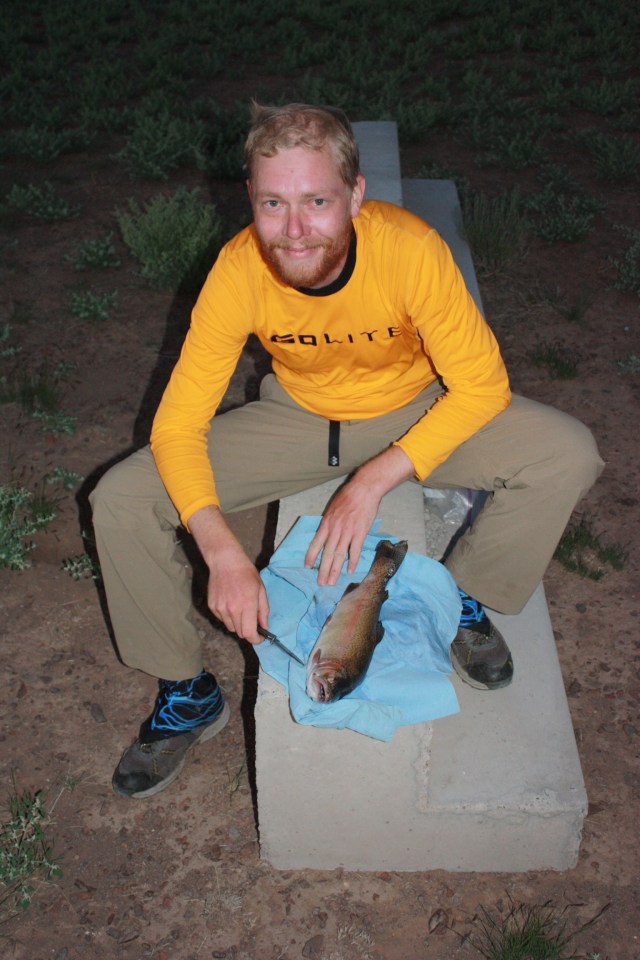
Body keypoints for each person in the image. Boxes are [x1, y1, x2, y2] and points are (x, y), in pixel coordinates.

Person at [90, 103, 604, 799]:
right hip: (299, 416)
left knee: (565, 452)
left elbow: (482, 385)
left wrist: (374, 480)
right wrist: (218, 549)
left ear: (356, 196)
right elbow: (178, 423)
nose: (294, 229)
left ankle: (458, 600)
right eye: (273, 202)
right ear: (251, 199)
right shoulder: (240, 268)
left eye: (316, 201)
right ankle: (187, 688)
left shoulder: (410, 251)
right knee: (120, 498)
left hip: (413, 409)